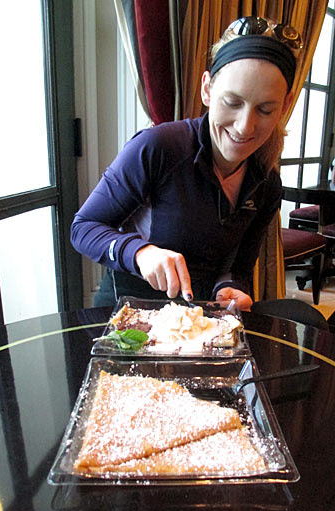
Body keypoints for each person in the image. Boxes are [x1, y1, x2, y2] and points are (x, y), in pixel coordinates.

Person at [71, 16, 303, 311]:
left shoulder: (268, 184)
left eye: (266, 110)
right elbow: (84, 228)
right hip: (127, 315)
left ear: (284, 106)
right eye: (232, 103)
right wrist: (140, 252)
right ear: (207, 89)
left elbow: (239, 267)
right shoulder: (157, 147)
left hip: (198, 321)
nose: (245, 126)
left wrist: (231, 288)